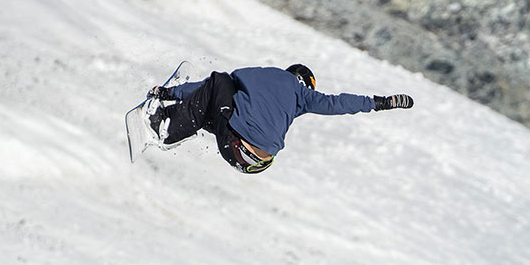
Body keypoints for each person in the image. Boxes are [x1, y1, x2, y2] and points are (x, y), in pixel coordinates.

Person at [146, 63, 413, 173]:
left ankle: (167, 125)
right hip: (258, 162)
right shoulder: (302, 98)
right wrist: (381, 103)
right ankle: (175, 120)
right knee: (224, 112)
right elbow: (338, 103)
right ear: (307, 84)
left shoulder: (265, 75)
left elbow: (212, 88)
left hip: (237, 143)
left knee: (219, 82)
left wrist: (169, 92)